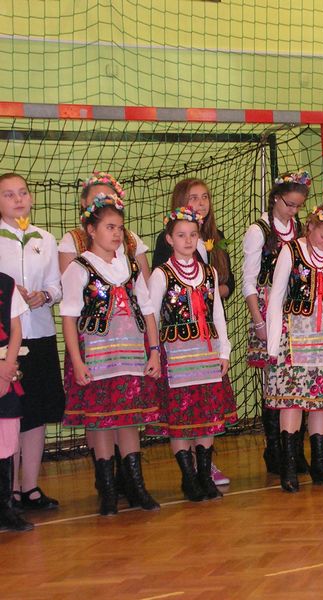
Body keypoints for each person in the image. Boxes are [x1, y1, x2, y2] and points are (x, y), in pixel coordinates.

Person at [61, 193, 161, 516]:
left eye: (119, 227)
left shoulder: (130, 265)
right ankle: (107, 491)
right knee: (101, 421)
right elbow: (69, 318)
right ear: (91, 230)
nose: (117, 233)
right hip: (97, 358)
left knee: (128, 419)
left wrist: (154, 352)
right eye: (109, 227)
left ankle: (137, 486)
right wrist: (77, 362)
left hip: (131, 356)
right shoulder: (79, 268)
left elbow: (147, 309)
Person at [265, 201, 323, 492]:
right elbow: (276, 297)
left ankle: (319, 464)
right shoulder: (291, 251)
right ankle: (289, 466)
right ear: (311, 227)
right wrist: (273, 344)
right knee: (293, 400)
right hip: (295, 336)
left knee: (322, 399)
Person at [148, 206, 238, 501]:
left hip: (207, 354)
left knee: (207, 415)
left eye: (193, 235)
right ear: (169, 239)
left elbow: (217, 314)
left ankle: (204, 475)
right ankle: (188, 478)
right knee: (181, 419)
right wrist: (154, 353)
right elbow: (152, 317)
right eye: (181, 235)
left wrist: (224, 351)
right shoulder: (161, 274)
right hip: (177, 358)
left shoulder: (209, 273)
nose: (188, 240)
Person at [0, 173, 64, 513]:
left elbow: (57, 286)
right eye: (9, 194)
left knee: (35, 413)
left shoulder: (46, 239)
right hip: (5, 341)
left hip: (39, 335)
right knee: (8, 416)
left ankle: (31, 488)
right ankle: (7, 491)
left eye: (22, 193)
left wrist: (45, 296)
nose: (18, 199)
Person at [242, 172, 309, 477]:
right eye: (289, 204)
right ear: (275, 198)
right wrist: (259, 321)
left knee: (299, 382)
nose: (293, 210)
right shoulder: (259, 230)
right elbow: (249, 282)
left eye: (298, 206)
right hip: (269, 312)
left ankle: (296, 451)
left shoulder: (301, 230)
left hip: (297, 312)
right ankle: (274, 450)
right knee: (274, 383)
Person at [0, 272, 33, 531]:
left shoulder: (6, 283)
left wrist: (7, 368)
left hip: (5, 371)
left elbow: (16, 329)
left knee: (6, 441)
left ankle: (5, 508)